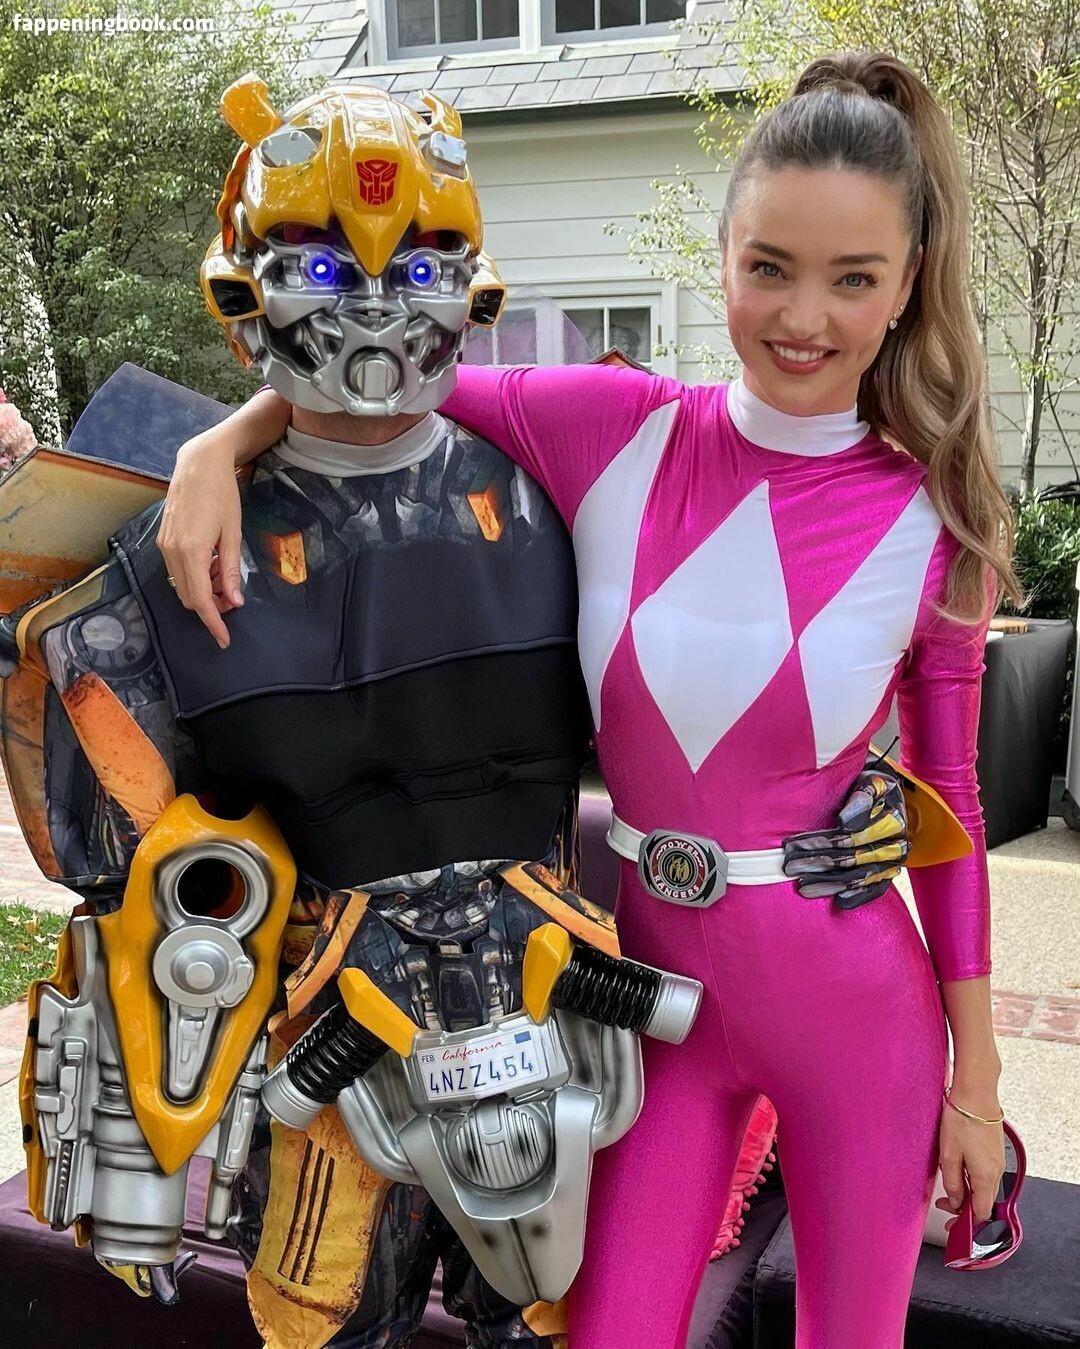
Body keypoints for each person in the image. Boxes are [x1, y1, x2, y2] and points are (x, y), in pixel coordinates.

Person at [159, 52, 1017, 1348]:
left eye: (855, 278)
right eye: (771, 266)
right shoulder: (611, 424)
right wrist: (215, 444)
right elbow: (377, 373)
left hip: (858, 1016)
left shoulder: (938, 519)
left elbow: (953, 799)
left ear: (908, 287)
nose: (805, 316)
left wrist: (977, 1077)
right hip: (650, 1002)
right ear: (722, 260)